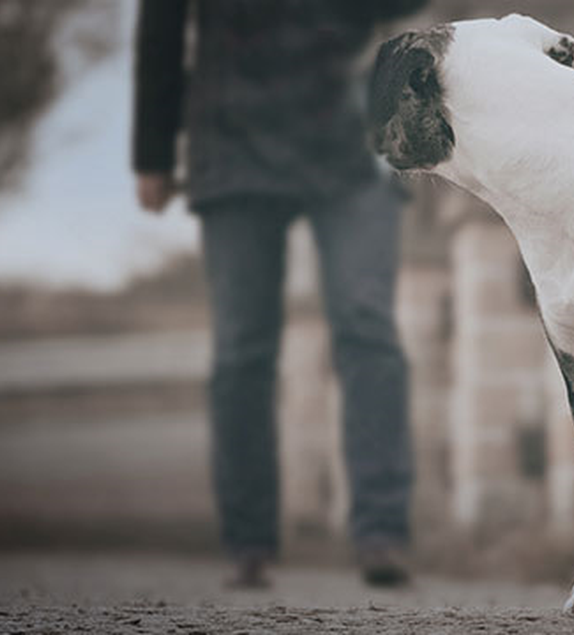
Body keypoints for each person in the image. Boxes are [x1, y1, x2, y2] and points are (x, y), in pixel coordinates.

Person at [132, 0, 426, 588]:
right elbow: (161, 29)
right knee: (243, 350)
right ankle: (248, 543)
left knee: (367, 328)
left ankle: (382, 533)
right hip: (232, 133)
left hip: (349, 129)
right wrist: (153, 152)